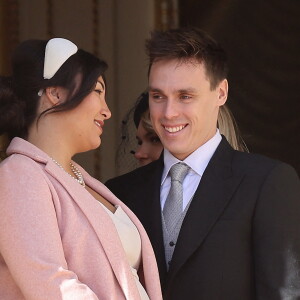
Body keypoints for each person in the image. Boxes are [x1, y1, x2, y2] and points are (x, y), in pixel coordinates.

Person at [106, 27, 300, 299]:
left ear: (221, 93)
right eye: (158, 96)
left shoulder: (267, 182)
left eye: (185, 96)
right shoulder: (120, 193)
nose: (168, 113)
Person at [0, 38, 162, 300]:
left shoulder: (79, 179)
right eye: (97, 91)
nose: (107, 111)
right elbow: (51, 284)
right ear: (55, 93)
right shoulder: (19, 174)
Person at [118, 91, 247, 169]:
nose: (139, 154)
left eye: (155, 139)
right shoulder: (126, 194)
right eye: (139, 142)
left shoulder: (254, 186)